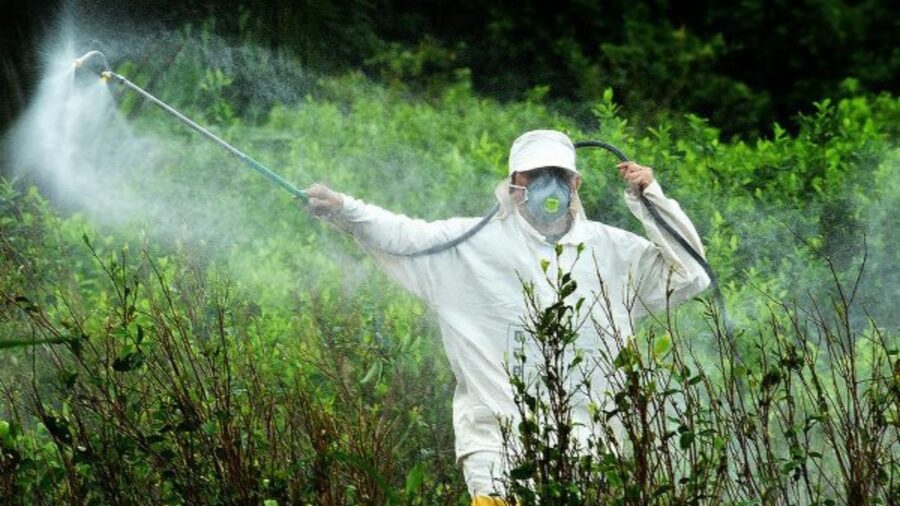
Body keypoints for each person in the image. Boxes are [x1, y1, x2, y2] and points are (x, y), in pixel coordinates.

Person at [305, 130, 709, 504]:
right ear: (515, 186)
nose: (546, 185)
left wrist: (651, 199)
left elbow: (691, 274)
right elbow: (404, 236)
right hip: (494, 447)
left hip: (591, 450)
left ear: (575, 184)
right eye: (535, 175)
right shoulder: (470, 244)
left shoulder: (614, 251)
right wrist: (343, 208)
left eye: (558, 175)